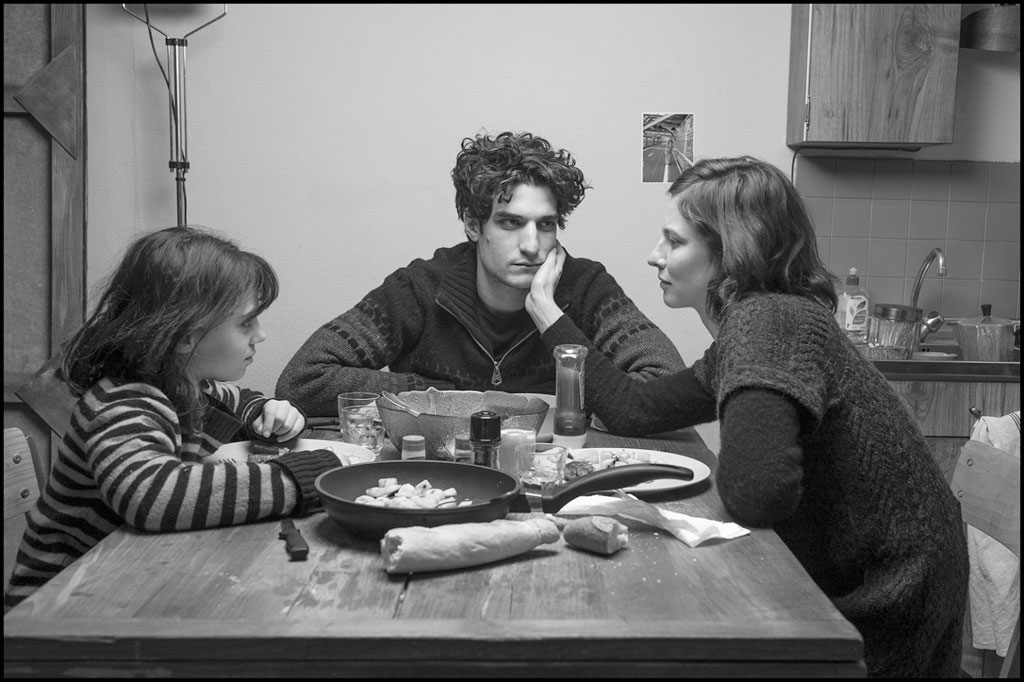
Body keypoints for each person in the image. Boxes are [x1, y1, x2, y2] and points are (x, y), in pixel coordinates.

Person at [524, 156, 968, 678]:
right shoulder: (759, 324)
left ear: (730, 250)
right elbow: (634, 407)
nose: (654, 255)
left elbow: (758, 494)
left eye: (674, 241)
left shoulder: (768, 323)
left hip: (882, 606)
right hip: (869, 581)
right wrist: (546, 312)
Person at [4, 226, 346, 609]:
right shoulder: (125, 402)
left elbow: (235, 401)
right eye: (246, 323)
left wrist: (263, 411)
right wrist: (297, 478)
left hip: (124, 583)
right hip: (57, 611)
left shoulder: (187, 386)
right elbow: (153, 495)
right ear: (185, 336)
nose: (261, 335)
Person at [275, 130, 686, 416]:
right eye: (510, 223)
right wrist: (446, 399)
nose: (532, 245)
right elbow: (303, 380)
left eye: (545, 225)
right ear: (474, 226)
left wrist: (554, 322)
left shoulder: (585, 287)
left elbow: (668, 392)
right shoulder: (420, 288)